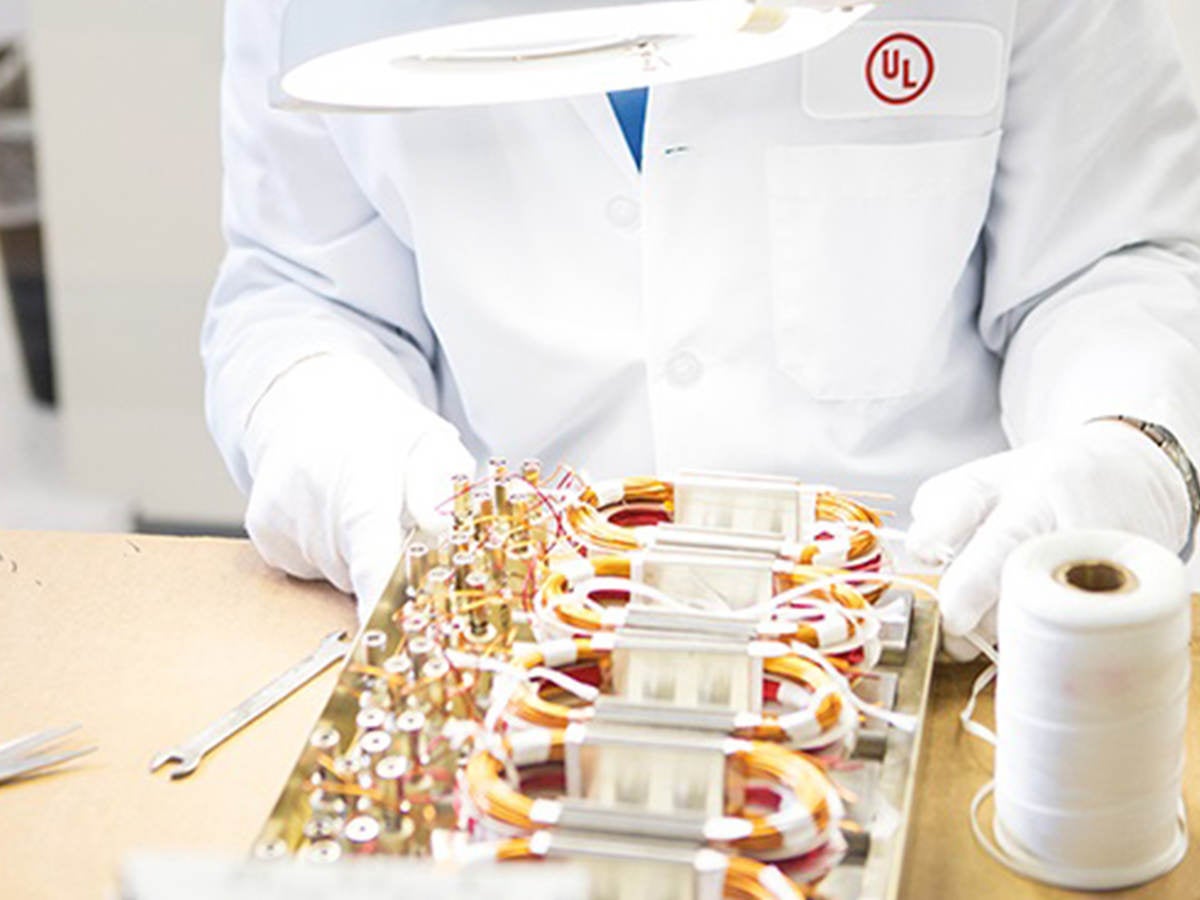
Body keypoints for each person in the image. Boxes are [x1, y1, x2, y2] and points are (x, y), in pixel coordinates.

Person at [204, 0, 1200, 657]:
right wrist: (359, 471)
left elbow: (1109, 258)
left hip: (943, 614)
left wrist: (1126, 444)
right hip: (522, 638)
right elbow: (303, 290)